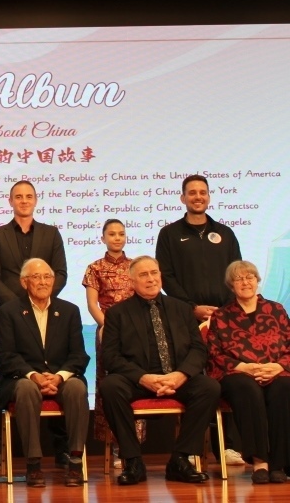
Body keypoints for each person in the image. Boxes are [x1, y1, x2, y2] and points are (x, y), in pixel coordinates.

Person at [101, 255, 220, 485]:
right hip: (138, 381)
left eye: (154, 273)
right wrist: (143, 377)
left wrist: (181, 375)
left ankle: (180, 459)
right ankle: (133, 461)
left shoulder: (182, 309)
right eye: (144, 275)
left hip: (177, 378)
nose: (151, 279)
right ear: (132, 281)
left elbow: (198, 349)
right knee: (110, 386)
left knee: (209, 387)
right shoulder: (117, 313)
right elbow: (110, 357)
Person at [155, 174, 244, 465]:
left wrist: (224, 310)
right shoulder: (169, 234)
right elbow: (166, 276)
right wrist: (191, 307)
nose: (197, 197)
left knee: (224, 376)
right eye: (191, 193)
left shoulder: (225, 233)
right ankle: (192, 449)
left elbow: (236, 273)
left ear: (208, 196)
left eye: (202, 192)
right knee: (194, 381)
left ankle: (226, 446)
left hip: (224, 318)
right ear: (183, 198)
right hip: (185, 318)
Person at [0, 179, 69, 473]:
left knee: (52, 376)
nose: (23, 201)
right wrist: (19, 306)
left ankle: (61, 450)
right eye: (18, 196)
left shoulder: (51, 234)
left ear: (35, 200)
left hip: (47, 316)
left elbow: (60, 273)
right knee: (3, 382)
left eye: (28, 196)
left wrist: (39, 298)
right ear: (10, 201)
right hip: (8, 319)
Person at [0, 258, 89, 487]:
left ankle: (75, 461)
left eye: (48, 277)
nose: (43, 282)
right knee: (27, 388)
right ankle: (33, 464)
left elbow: (79, 355)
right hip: (22, 378)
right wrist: (34, 376)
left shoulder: (69, 311)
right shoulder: (9, 312)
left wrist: (59, 376)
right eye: (36, 277)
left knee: (77, 387)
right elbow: (6, 355)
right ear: (24, 282)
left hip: (60, 378)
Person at [207, 260, 290, 484]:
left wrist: (279, 366)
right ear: (231, 285)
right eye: (239, 279)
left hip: (276, 370)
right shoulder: (221, 316)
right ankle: (260, 462)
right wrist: (243, 367)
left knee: (284, 387)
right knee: (247, 389)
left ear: (257, 280)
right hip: (238, 373)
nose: (245, 282)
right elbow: (214, 352)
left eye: (249, 277)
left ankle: (279, 464)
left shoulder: (277, 310)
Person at [82, 219, 144, 465]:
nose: (117, 238)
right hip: (107, 332)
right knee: (110, 385)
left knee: (138, 381)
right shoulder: (94, 268)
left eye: (121, 234)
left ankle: (133, 446)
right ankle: (116, 446)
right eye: (112, 234)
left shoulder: (136, 266)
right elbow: (92, 304)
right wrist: (108, 328)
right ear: (103, 238)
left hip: (136, 333)